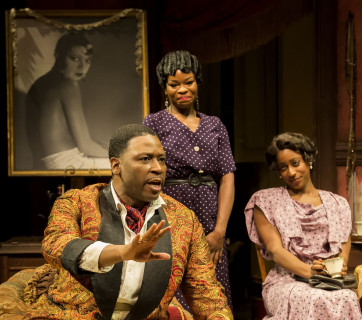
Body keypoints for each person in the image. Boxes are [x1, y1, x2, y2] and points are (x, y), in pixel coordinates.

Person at [22, 124, 233, 320]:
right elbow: (55, 245)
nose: (158, 168)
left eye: (162, 159)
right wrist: (123, 253)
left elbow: (207, 296)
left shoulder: (185, 219)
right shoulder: (77, 202)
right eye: (145, 159)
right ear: (116, 166)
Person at [143, 50, 236, 311]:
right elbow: (146, 170)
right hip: (170, 212)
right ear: (164, 88)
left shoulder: (215, 125)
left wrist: (220, 231)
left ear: (198, 82)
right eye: (174, 84)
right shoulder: (154, 123)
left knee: (211, 288)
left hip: (210, 215)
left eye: (189, 82)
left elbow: (227, 175)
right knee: (173, 284)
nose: (183, 89)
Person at [244, 132, 362, 319]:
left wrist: (339, 268)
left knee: (347, 296)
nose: (291, 172)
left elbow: (343, 247)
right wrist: (309, 272)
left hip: (328, 280)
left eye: (295, 163)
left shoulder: (337, 203)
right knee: (310, 297)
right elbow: (276, 250)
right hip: (286, 280)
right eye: (283, 168)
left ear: (308, 161)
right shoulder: (266, 201)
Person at [25, 32, 109, 170]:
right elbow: (86, 146)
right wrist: (119, 155)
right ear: (58, 56)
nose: (82, 66)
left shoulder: (39, 83)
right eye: (75, 59)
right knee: (128, 167)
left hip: (45, 163)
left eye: (87, 60)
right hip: (66, 164)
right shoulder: (67, 85)